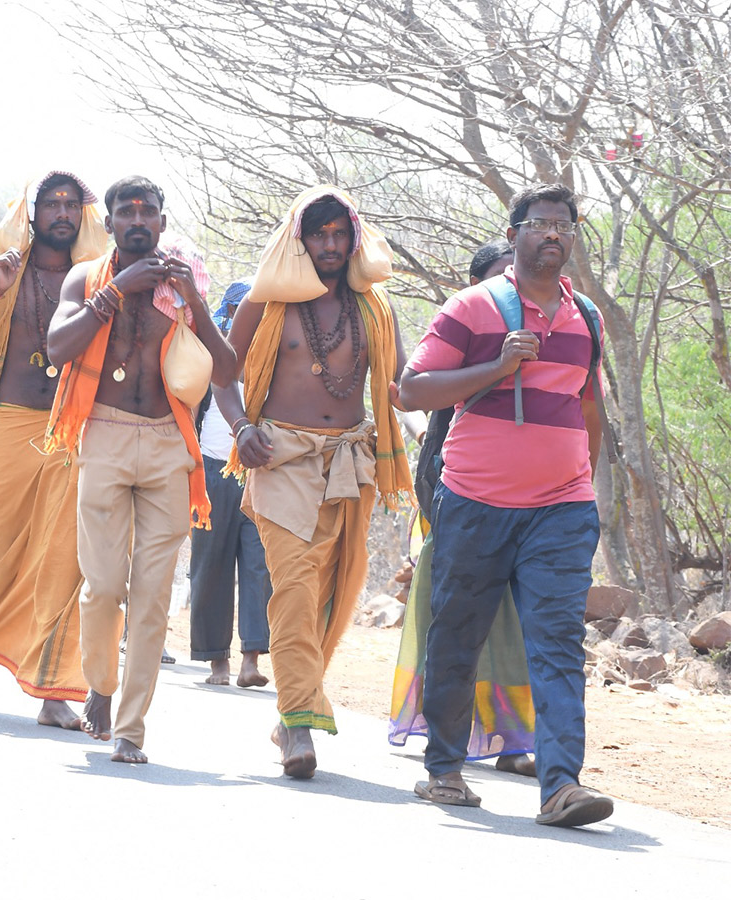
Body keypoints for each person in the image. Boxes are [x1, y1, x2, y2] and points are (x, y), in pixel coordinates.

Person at [400, 183, 613, 827]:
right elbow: (411, 391)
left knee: (557, 642)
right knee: (457, 633)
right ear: (515, 231)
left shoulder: (588, 318)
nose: (554, 234)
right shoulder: (470, 307)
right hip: (474, 501)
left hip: (561, 509)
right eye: (541, 223)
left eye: (565, 225)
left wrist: (580, 483)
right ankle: (443, 771)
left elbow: (590, 408)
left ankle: (561, 787)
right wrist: (496, 366)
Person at [214, 185, 411, 779]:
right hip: (281, 456)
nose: (330, 245)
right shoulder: (266, 302)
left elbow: (402, 384)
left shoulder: (375, 307)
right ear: (299, 240)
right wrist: (242, 425)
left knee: (333, 594)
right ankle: (300, 723)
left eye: (339, 234)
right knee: (294, 588)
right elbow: (223, 374)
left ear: (353, 240)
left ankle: (290, 710)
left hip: (351, 462)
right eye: (318, 234)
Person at [46, 175, 236, 763]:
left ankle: (131, 728)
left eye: (146, 211)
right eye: (124, 211)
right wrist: (117, 291)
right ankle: (100, 685)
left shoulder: (184, 283)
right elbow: (57, 348)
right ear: (107, 222)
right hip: (101, 433)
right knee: (103, 588)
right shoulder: (87, 278)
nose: (136, 219)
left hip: (165, 443)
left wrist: (196, 303)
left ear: (160, 219)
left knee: (151, 597)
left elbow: (227, 370)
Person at [0, 171, 107, 725]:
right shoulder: (1, 269)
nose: (61, 213)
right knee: (1, 549)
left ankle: (54, 693)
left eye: (70, 204)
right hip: (11, 422)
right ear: (32, 214)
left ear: (84, 214)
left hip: (73, 427)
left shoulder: (96, 276)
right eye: (50, 204)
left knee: (65, 558)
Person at [388, 238, 538, 778]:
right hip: (457, 498)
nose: (511, 290)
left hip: (527, 504)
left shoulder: (542, 333)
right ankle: (445, 736)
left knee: (516, 625)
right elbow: (410, 399)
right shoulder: (459, 335)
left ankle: (513, 738)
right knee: (455, 619)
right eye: (500, 279)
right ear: (477, 286)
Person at [189, 282, 271, 687]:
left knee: (260, 567)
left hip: (261, 473)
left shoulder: (274, 357)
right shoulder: (209, 356)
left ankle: (250, 661)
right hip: (212, 470)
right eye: (241, 311)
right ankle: (216, 661)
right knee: (209, 565)